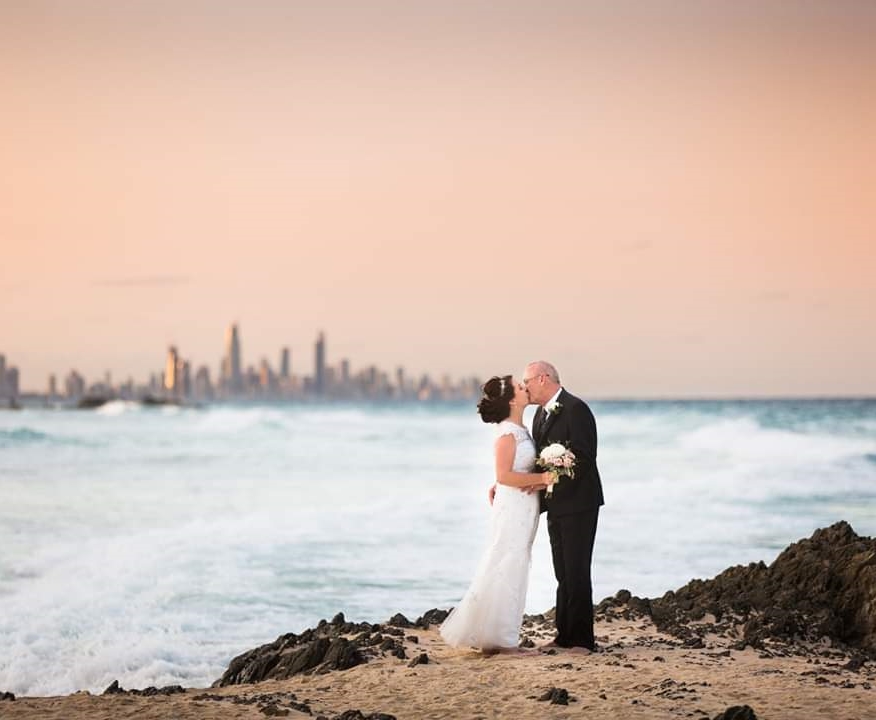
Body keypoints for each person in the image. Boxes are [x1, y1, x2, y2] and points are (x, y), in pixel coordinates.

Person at [439, 375, 553, 653]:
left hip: (523, 505)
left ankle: (497, 636)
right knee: (506, 562)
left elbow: (512, 470)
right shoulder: (507, 434)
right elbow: (504, 475)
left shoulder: (521, 428)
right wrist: (547, 476)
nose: (526, 387)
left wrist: (535, 479)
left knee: (514, 562)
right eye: (520, 386)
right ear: (513, 399)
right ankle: (502, 641)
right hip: (513, 507)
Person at [523, 360, 604, 652]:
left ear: (543, 378)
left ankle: (583, 640)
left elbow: (584, 456)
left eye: (527, 381)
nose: (524, 387)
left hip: (580, 503)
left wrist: (551, 477)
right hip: (555, 504)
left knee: (578, 569)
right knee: (562, 572)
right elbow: (538, 458)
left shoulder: (575, 408)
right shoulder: (539, 415)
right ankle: (564, 636)